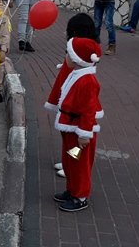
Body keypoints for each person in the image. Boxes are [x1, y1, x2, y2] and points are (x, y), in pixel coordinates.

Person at [45, 37, 102, 212]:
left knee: (80, 164)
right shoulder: (77, 74)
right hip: (71, 129)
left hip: (79, 134)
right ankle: (72, 190)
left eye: (69, 53)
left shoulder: (88, 82)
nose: (66, 56)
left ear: (78, 58)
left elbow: (89, 110)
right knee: (70, 160)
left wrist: (85, 134)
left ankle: (80, 196)